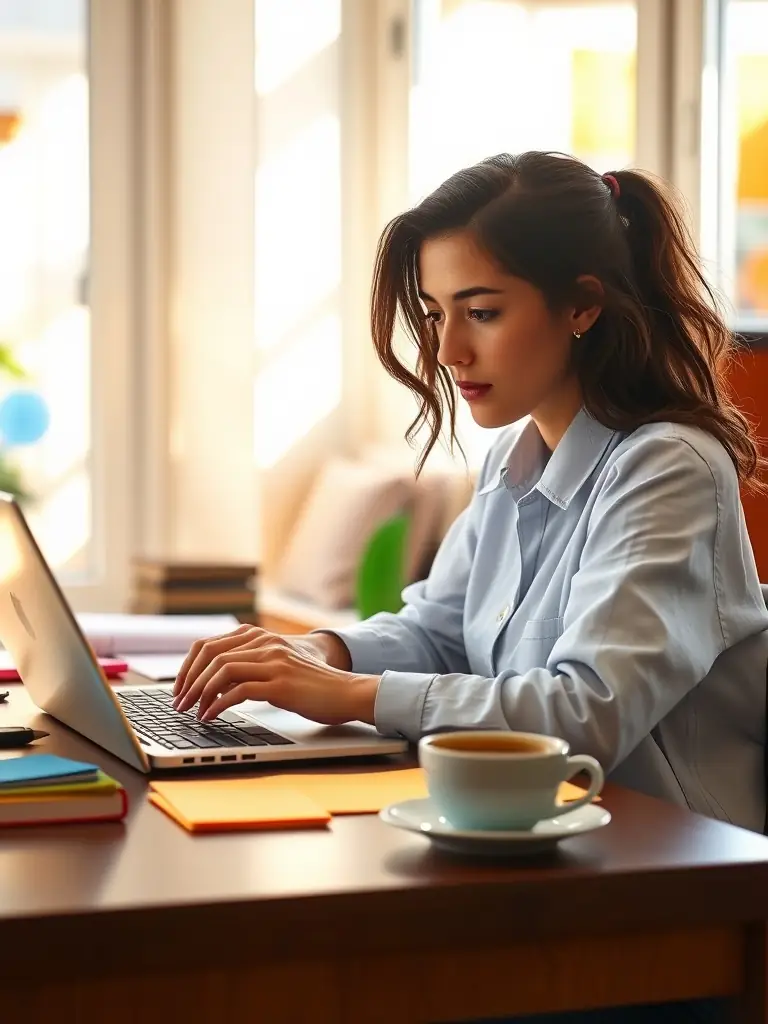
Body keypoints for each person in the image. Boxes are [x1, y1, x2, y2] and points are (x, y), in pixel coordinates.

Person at [174, 150, 768, 1021]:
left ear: (582, 305)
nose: (448, 350)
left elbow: (585, 713)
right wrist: (316, 649)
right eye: (434, 314)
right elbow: (439, 626)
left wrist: (355, 692)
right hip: (536, 854)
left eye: (481, 312)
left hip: (666, 900)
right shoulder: (514, 458)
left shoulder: (666, 468)